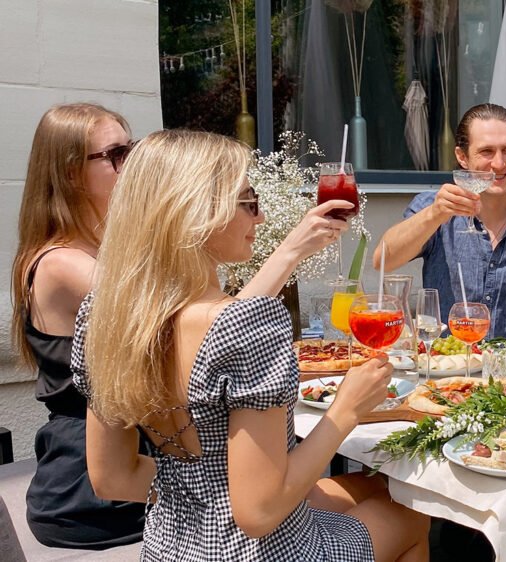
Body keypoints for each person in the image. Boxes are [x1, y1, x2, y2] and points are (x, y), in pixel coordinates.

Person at [70, 129, 430, 560]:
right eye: (248, 201)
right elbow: (258, 513)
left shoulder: (106, 317)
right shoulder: (247, 325)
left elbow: (111, 478)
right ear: (196, 215)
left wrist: (213, 487)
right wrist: (346, 409)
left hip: (172, 546)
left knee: (369, 486)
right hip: (270, 550)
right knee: (412, 514)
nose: (258, 218)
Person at [10, 103, 356, 549]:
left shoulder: (110, 283)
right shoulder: (76, 273)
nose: (134, 161)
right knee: (350, 502)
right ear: (71, 172)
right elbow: (214, 331)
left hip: (161, 478)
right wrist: (288, 254)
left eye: (133, 148)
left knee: (318, 495)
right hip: (96, 491)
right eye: (117, 153)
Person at [373, 103, 506, 357]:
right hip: (447, 371)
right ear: (462, 157)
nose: (499, 163)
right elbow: (383, 260)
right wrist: (435, 215)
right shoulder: (435, 207)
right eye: (486, 151)